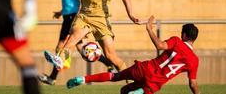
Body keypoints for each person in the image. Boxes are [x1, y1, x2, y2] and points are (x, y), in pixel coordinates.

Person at [67, 16, 201, 94]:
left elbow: (160, 45)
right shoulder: (194, 61)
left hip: (144, 68)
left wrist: (149, 29)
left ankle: (83, 79)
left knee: (117, 79)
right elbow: (193, 83)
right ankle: (138, 93)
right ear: (194, 38)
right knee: (131, 91)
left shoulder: (177, 41)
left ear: (183, 35)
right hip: (154, 83)